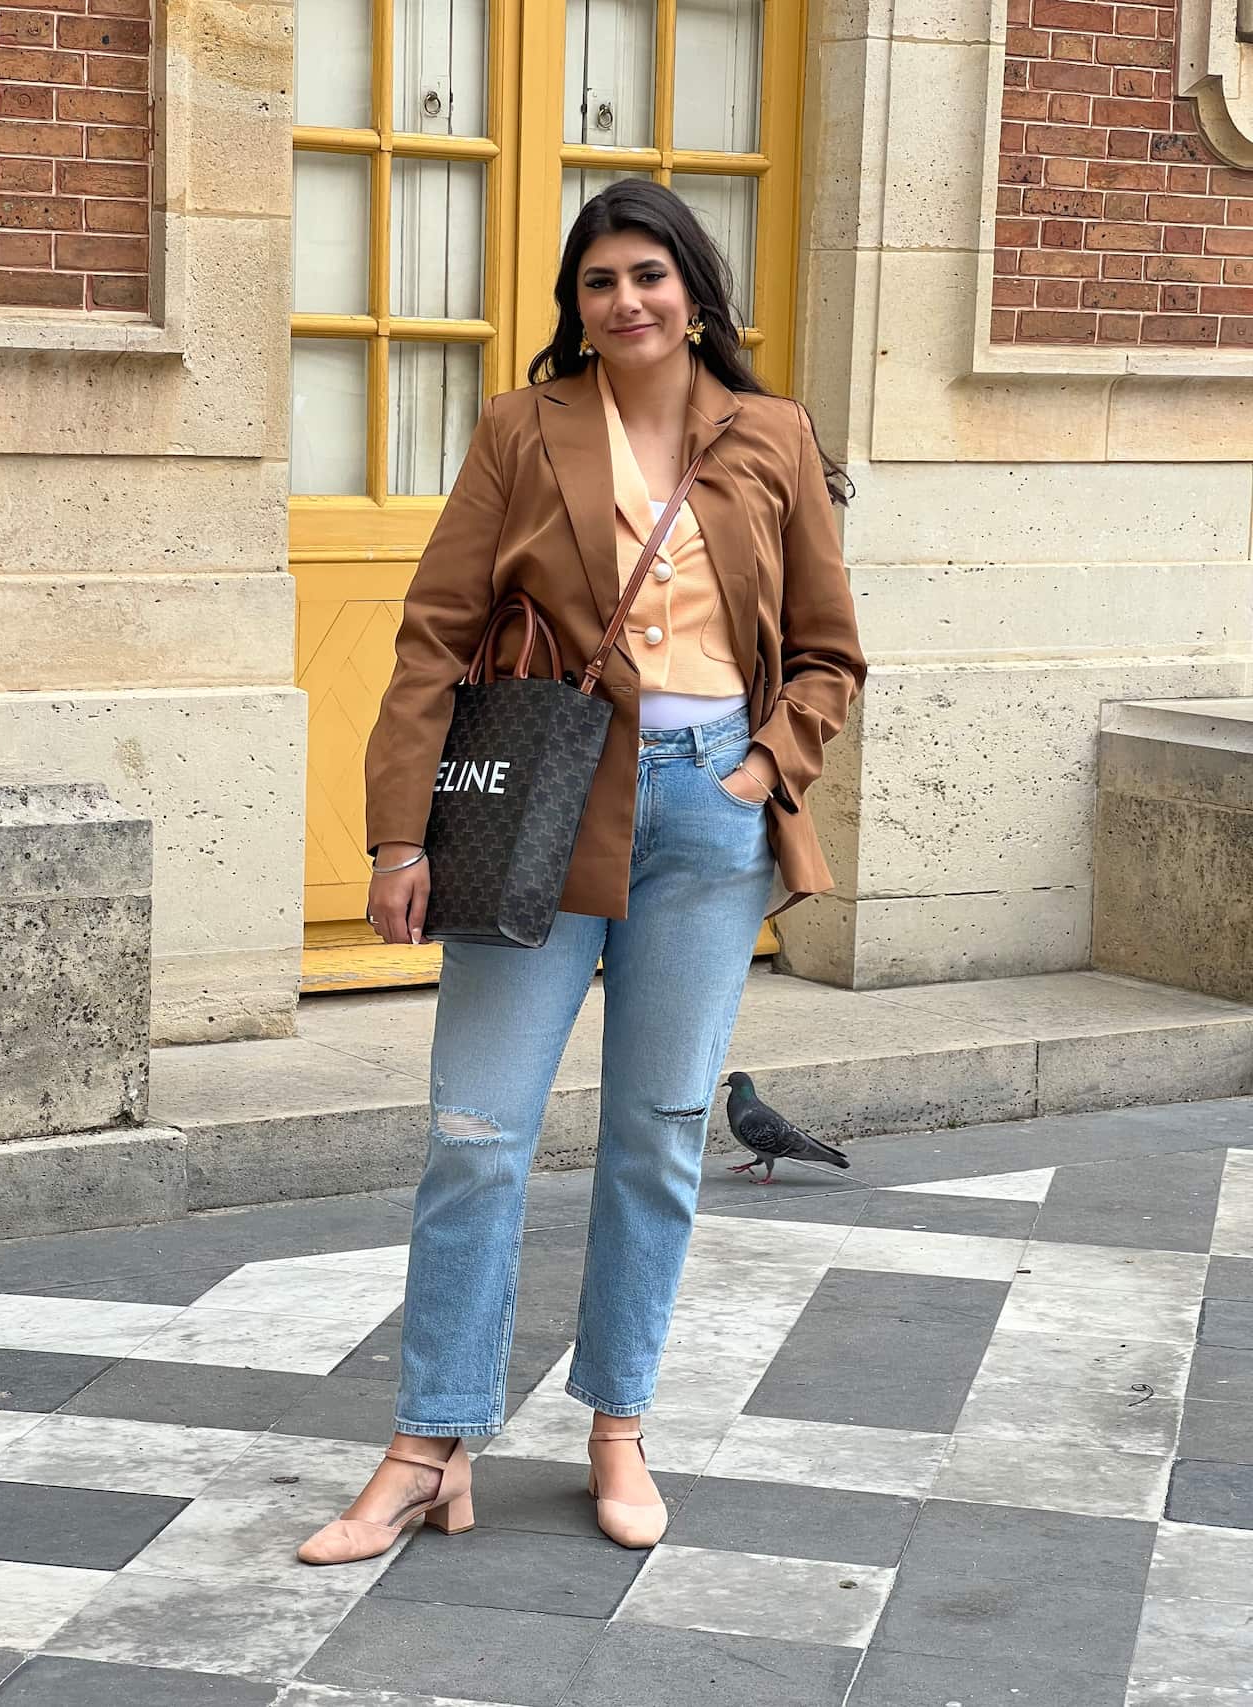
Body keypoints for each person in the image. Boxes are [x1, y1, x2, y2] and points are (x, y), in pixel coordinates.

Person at [298, 179, 867, 1565]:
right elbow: (433, 633)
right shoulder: (520, 428)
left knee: (663, 1135)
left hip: (707, 820)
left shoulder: (773, 436)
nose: (625, 301)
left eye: (649, 276)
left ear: (695, 290)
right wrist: (395, 836)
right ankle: (430, 1443)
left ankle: (618, 1425)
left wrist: (762, 768)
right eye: (600, 280)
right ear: (578, 303)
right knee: (475, 1134)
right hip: (543, 809)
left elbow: (828, 649)